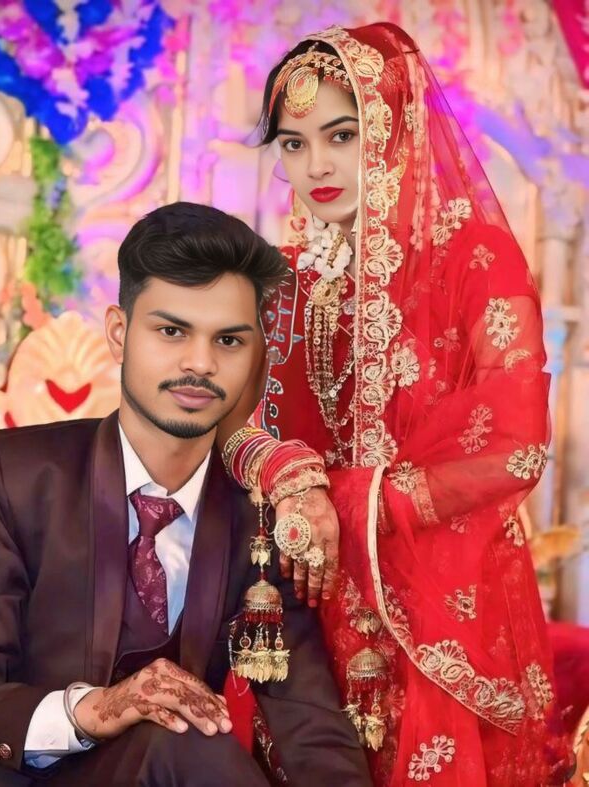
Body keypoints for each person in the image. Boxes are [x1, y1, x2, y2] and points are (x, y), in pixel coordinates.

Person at [218, 23, 573, 786]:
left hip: (440, 604)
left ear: (395, 128)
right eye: (294, 144)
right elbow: (231, 424)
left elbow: (516, 445)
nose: (316, 165)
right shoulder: (284, 280)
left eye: (341, 135)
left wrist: (350, 497)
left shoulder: (472, 259)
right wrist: (287, 473)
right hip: (310, 601)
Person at [0, 202, 372, 787]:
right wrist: (97, 709)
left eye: (229, 340)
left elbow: (310, 726)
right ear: (119, 333)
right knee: (187, 744)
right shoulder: (17, 475)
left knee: (189, 744)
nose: (200, 363)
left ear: (257, 354)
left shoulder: (260, 516)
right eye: (172, 331)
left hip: (182, 772)